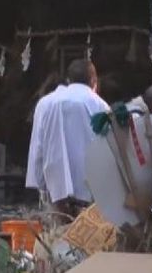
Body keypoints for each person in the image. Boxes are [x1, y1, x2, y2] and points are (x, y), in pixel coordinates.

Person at [26, 59, 109, 217]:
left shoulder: (45, 103)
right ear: (94, 82)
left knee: (56, 237)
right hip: (89, 191)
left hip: (54, 189)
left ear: (69, 80)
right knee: (86, 237)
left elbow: (37, 147)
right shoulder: (100, 106)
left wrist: (40, 183)